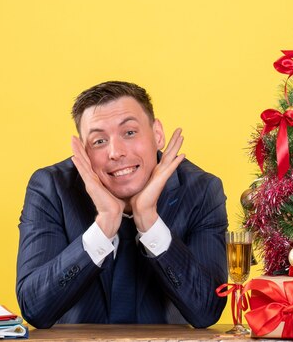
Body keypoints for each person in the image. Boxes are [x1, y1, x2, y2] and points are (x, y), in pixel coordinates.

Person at [16, 81, 228, 328]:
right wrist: (104, 224)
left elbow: (207, 311)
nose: (115, 152)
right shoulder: (51, 188)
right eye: (99, 141)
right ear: (83, 151)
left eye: (129, 133)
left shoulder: (201, 191)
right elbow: (35, 310)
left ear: (157, 134)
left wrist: (149, 221)